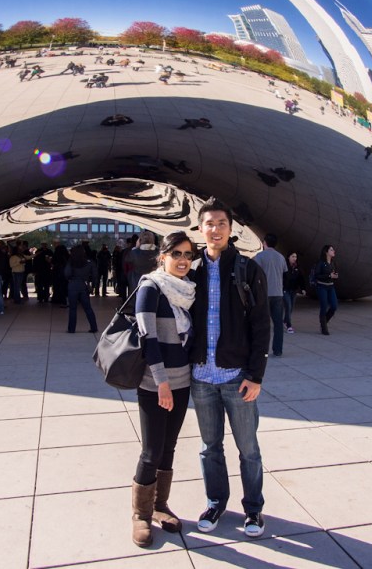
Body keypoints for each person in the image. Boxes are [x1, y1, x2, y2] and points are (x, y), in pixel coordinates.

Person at [189, 198, 271, 537]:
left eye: (221, 223)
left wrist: (255, 376)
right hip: (201, 378)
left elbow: (262, 325)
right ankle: (216, 502)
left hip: (236, 377)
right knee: (210, 448)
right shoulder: (191, 269)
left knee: (248, 450)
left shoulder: (248, 269)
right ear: (200, 228)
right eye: (209, 223)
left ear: (230, 228)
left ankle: (253, 510)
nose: (215, 229)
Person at [129, 232, 195, 547]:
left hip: (182, 382)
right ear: (163, 256)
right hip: (155, 384)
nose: (183, 260)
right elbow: (148, 337)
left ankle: (159, 506)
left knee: (169, 447)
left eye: (188, 254)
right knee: (152, 450)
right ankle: (140, 515)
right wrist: (161, 382)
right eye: (177, 254)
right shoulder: (151, 287)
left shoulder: (188, 290)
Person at [252, 233, 288, 357]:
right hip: (278, 293)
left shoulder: (260, 256)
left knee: (263, 323)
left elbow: (254, 271)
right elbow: (284, 272)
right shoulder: (281, 257)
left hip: (264, 293)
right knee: (278, 323)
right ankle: (278, 350)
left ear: (264, 243)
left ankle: (262, 350)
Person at [64, 245, 98, 333]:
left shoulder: (71, 261)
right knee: (88, 308)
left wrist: (71, 279)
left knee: (73, 308)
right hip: (84, 285)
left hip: (73, 285)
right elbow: (95, 275)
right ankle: (94, 327)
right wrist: (93, 286)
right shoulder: (89, 262)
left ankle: (71, 329)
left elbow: (67, 274)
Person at [313, 245, 339, 336]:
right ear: (326, 252)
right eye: (331, 250)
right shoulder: (321, 263)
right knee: (323, 306)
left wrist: (335, 276)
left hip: (331, 286)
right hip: (322, 287)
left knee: (334, 306)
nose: (333, 251)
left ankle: (325, 321)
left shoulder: (333, 262)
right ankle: (324, 327)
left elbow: (334, 273)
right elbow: (317, 275)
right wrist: (328, 276)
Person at [282, 252, 305, 335]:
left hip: (294, 290)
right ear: (288, 257)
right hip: (285, 289)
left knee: (291, 307)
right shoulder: (284, 266)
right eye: (293, 256)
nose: (294, 258)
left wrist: (303, 289)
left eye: (295, 257)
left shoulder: (297, 267)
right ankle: (289, 325)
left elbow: (301, 278)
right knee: (288, 306)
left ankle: (285, 321)